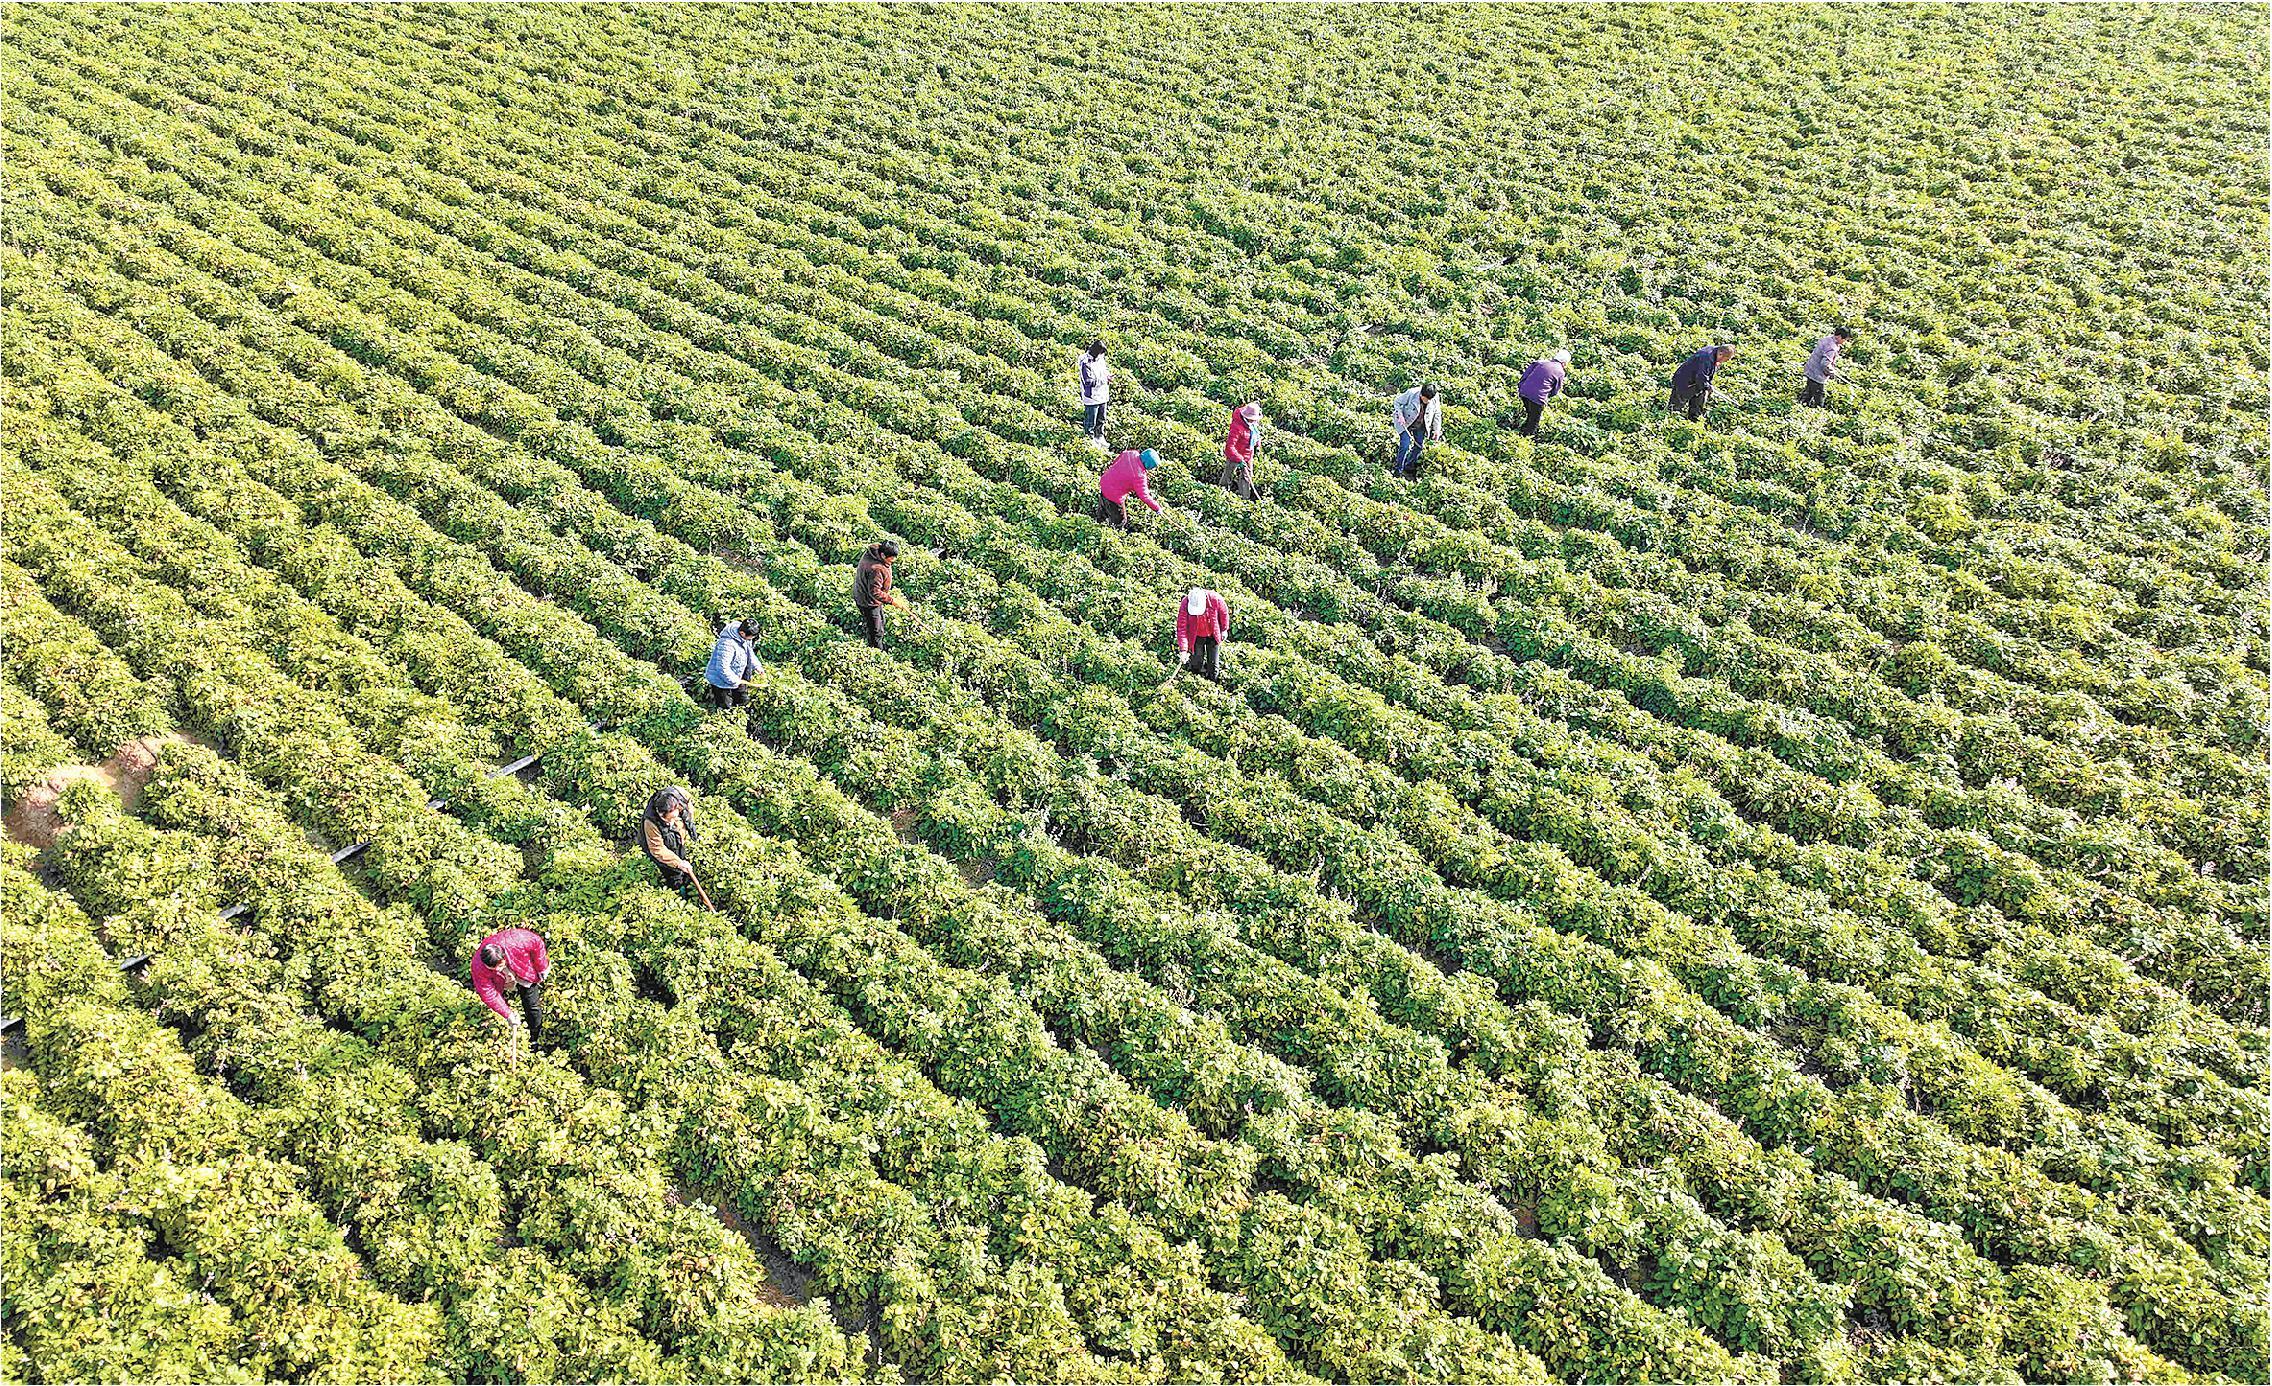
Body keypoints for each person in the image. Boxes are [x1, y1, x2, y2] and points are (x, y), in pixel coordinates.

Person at [471, 926, 551, 1040]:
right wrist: (508, 1014)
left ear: (503, 956)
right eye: (492, 968)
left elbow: (537, 943)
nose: (498, 969)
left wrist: (542, 967)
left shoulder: (517, 940)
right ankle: (508, 998)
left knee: (532, 1005)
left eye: (500, 966)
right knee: (501, 998)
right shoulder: (478, 966)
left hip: (522, 967)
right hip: (500, 979)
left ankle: (535, 1035)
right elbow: (488, 993)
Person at [639, 786, 699, 896]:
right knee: (671, 868)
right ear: (660, 814)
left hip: (676, 834)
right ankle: (679, 890)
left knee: (681, 851)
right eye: (669, 819)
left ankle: (686, 880)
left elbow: (689, 801)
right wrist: (679, 863)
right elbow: (658, 849)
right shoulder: (650, 823)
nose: (673, 821)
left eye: (675, 817)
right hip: (660, 842)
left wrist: (688, 820)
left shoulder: (679, 794)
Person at [853, 541, 906, 649]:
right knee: (876, 631)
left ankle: (875, 637)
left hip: (869, 596)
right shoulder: (876, 569)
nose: (893, 560)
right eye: (891, 558)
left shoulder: (874, 553)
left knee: (880, 621)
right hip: (868, 601)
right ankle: (876, 651)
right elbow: (875, 592)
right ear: (882, 555)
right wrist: (892, 601)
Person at [1097, 447, 1165, 529]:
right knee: (1120, 520)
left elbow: (1116, 461)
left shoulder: (1131, 453)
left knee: (1103, 502)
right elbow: (1144, 496)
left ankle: (1099, 519)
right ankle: (1114, 531)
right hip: (1113, 496)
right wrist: (1157, 508)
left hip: (1105, 482)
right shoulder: (1139, 476)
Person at [1175, 585, 1232, 682]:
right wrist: (1183, 650)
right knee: (1196, 662)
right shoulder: (1185, 603)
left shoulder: (1215, 598)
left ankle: (1212, 684)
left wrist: (1224, 629)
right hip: (1195, 636)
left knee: (1213, 665)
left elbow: (1224, 613)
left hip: (1213, 635)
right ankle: (1197, 681)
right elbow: (1182, 628)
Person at [1668, 344, 1733, 421]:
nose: (1725, 362)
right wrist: (1707, 386)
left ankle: (1694, 420)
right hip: (1685, 381)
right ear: (1721, 354)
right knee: (1676, 404)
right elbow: (1701, 377)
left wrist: (1708, 386)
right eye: (1726, 359)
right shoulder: (1706, 358)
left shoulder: (1715, 353)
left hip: (1698, 383)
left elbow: (1705, 376)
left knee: (1698, 402)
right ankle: (1671, 420)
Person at [703, 619, 758, 708]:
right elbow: (722, 668)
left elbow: (749, 653)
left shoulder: (745, 637)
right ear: (742, 633)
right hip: (720, 680)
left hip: (737, 674)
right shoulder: (727, 644)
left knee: (742, 700)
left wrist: (758, 667)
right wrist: (735, 681)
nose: (751, 639)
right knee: (725, 705)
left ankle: (739, 711)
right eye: (751, 637)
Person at [1517, 350, 1571, 438]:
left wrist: (1522, 387)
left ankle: (1521, 432)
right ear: (1564, 363)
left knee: (1531, 414)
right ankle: (1526, 439)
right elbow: (1555, 390)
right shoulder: (1560, 372)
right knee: (1534, 421)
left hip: (1524, 392)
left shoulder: (1541, 362)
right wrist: (1546, 396)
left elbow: (1526, 374)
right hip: (1538, 398)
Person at [1390, 384, 1440, 478]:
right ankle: (1398, 470)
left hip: (1421, 424)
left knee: (1419, 446)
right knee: (1405, 446)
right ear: (1421, 395)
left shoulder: (1434, 396)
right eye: (1426, 399)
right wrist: (1400, 415)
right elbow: (1397, 402)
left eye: (1430, 399)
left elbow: (1437, 413)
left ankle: (1408, 466)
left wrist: (1436, 430)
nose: (1428, 401)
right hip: (1406, 422)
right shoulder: (1411, 393)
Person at [1800, 327, 1852, 407]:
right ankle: (1818, 411)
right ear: (1839, 336)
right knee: (1819, 396)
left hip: (1810, 368)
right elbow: (1825, 364)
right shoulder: (1832, 347)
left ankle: (1802, 404)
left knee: (1809, 390)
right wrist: (1831, 373)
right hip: (1817, 375)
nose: (1844, 342)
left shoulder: (1827, 339)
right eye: (1845, 340)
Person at [1219, 402, 1261, 499]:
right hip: (1235, 455)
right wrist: (1239, 459)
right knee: (1228, 474)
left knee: (1247, 477)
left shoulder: (1252, 424)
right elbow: (1229, 447)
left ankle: (1244, 498)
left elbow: (1256, 434)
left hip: (1248, 454)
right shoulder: (1237, 427)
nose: (1254, 421)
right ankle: (1221, 492)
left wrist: (1258, 444)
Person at [1077, 340, 1111, 445]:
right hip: (1092, 396)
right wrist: (1104, 379)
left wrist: (1107, 376)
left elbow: (1103, 371)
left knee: (1101, 418)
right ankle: (1089, 439)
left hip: (1102, 394)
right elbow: (1088, 381)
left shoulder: (1100, 359)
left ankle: (1099, 436)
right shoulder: (1085, 362)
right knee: (1091, 420)